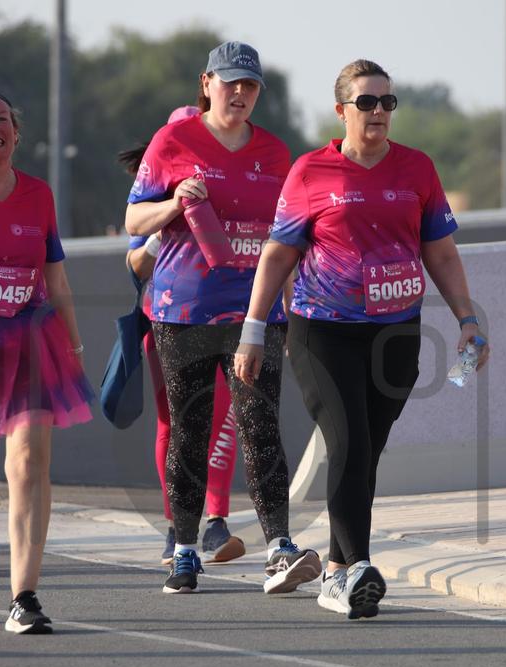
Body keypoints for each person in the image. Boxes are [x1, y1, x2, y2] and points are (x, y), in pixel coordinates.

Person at [235, 59, 489, 620]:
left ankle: (333, 570)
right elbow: (278, 254)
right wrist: (253, 330)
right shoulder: (310, 172)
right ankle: (357, 569)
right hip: (322, 330)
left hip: (396, 332)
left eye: (387, 102)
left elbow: (441, 252)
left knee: (365, 450)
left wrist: (467, 320)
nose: (378, 111)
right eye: (367, 102)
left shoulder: (417, 168)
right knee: (348, 441)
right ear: (341, 111)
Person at [125, 42, 322, 594]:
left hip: (254, 312)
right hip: (183, 310)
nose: (240, 93)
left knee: (260, 424)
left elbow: (288, 240)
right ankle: (185, 550)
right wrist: (174, 203)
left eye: (250, 85)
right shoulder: (173, 141)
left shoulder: (276, 153)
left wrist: (290, 308)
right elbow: (133, 220)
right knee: (190, 429)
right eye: (230, 82)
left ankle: (279, 547)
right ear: (206, 83)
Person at [120, 106, 245, 566]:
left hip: (226, 319)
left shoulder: (229, 186)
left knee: (222, 415)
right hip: (166, 321)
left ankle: (216, 521)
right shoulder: (155, 193)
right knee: (174, 423)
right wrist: (171, 217)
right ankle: (176, 526)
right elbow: (134, 264)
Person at [0, 92, 94, 634]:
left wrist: (74, 348)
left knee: (29, 462)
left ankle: (25, 596)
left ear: (15, 132)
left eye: (1, 120)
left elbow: (56, 278)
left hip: (31, 338)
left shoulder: (39, 196)